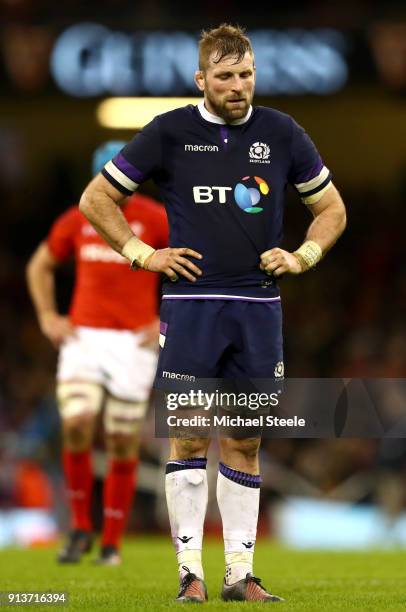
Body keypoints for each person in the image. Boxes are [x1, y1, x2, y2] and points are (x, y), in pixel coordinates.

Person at [79, 24, 347, 601]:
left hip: (258, 307)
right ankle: (189, 574)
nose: (238, 85)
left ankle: (239, 576)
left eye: (245, 74)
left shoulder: (281, 133)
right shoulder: (170, 130)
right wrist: (141, 253)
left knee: (246, 441)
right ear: (201, 79)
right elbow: (97, 198)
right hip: (193, 306)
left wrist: (304, 254)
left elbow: (330, 208)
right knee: (190, 436)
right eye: (224, 76)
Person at [26, 141, 168, 566]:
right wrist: (49, 317)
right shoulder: (77, 218)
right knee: (76, 424)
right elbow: (39, 265)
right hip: (83, 338)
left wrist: (163, 322)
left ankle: (111, 542)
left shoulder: (155, 218)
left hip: (133, 343)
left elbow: (191, 268)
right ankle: (78, 529)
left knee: (123, 440)